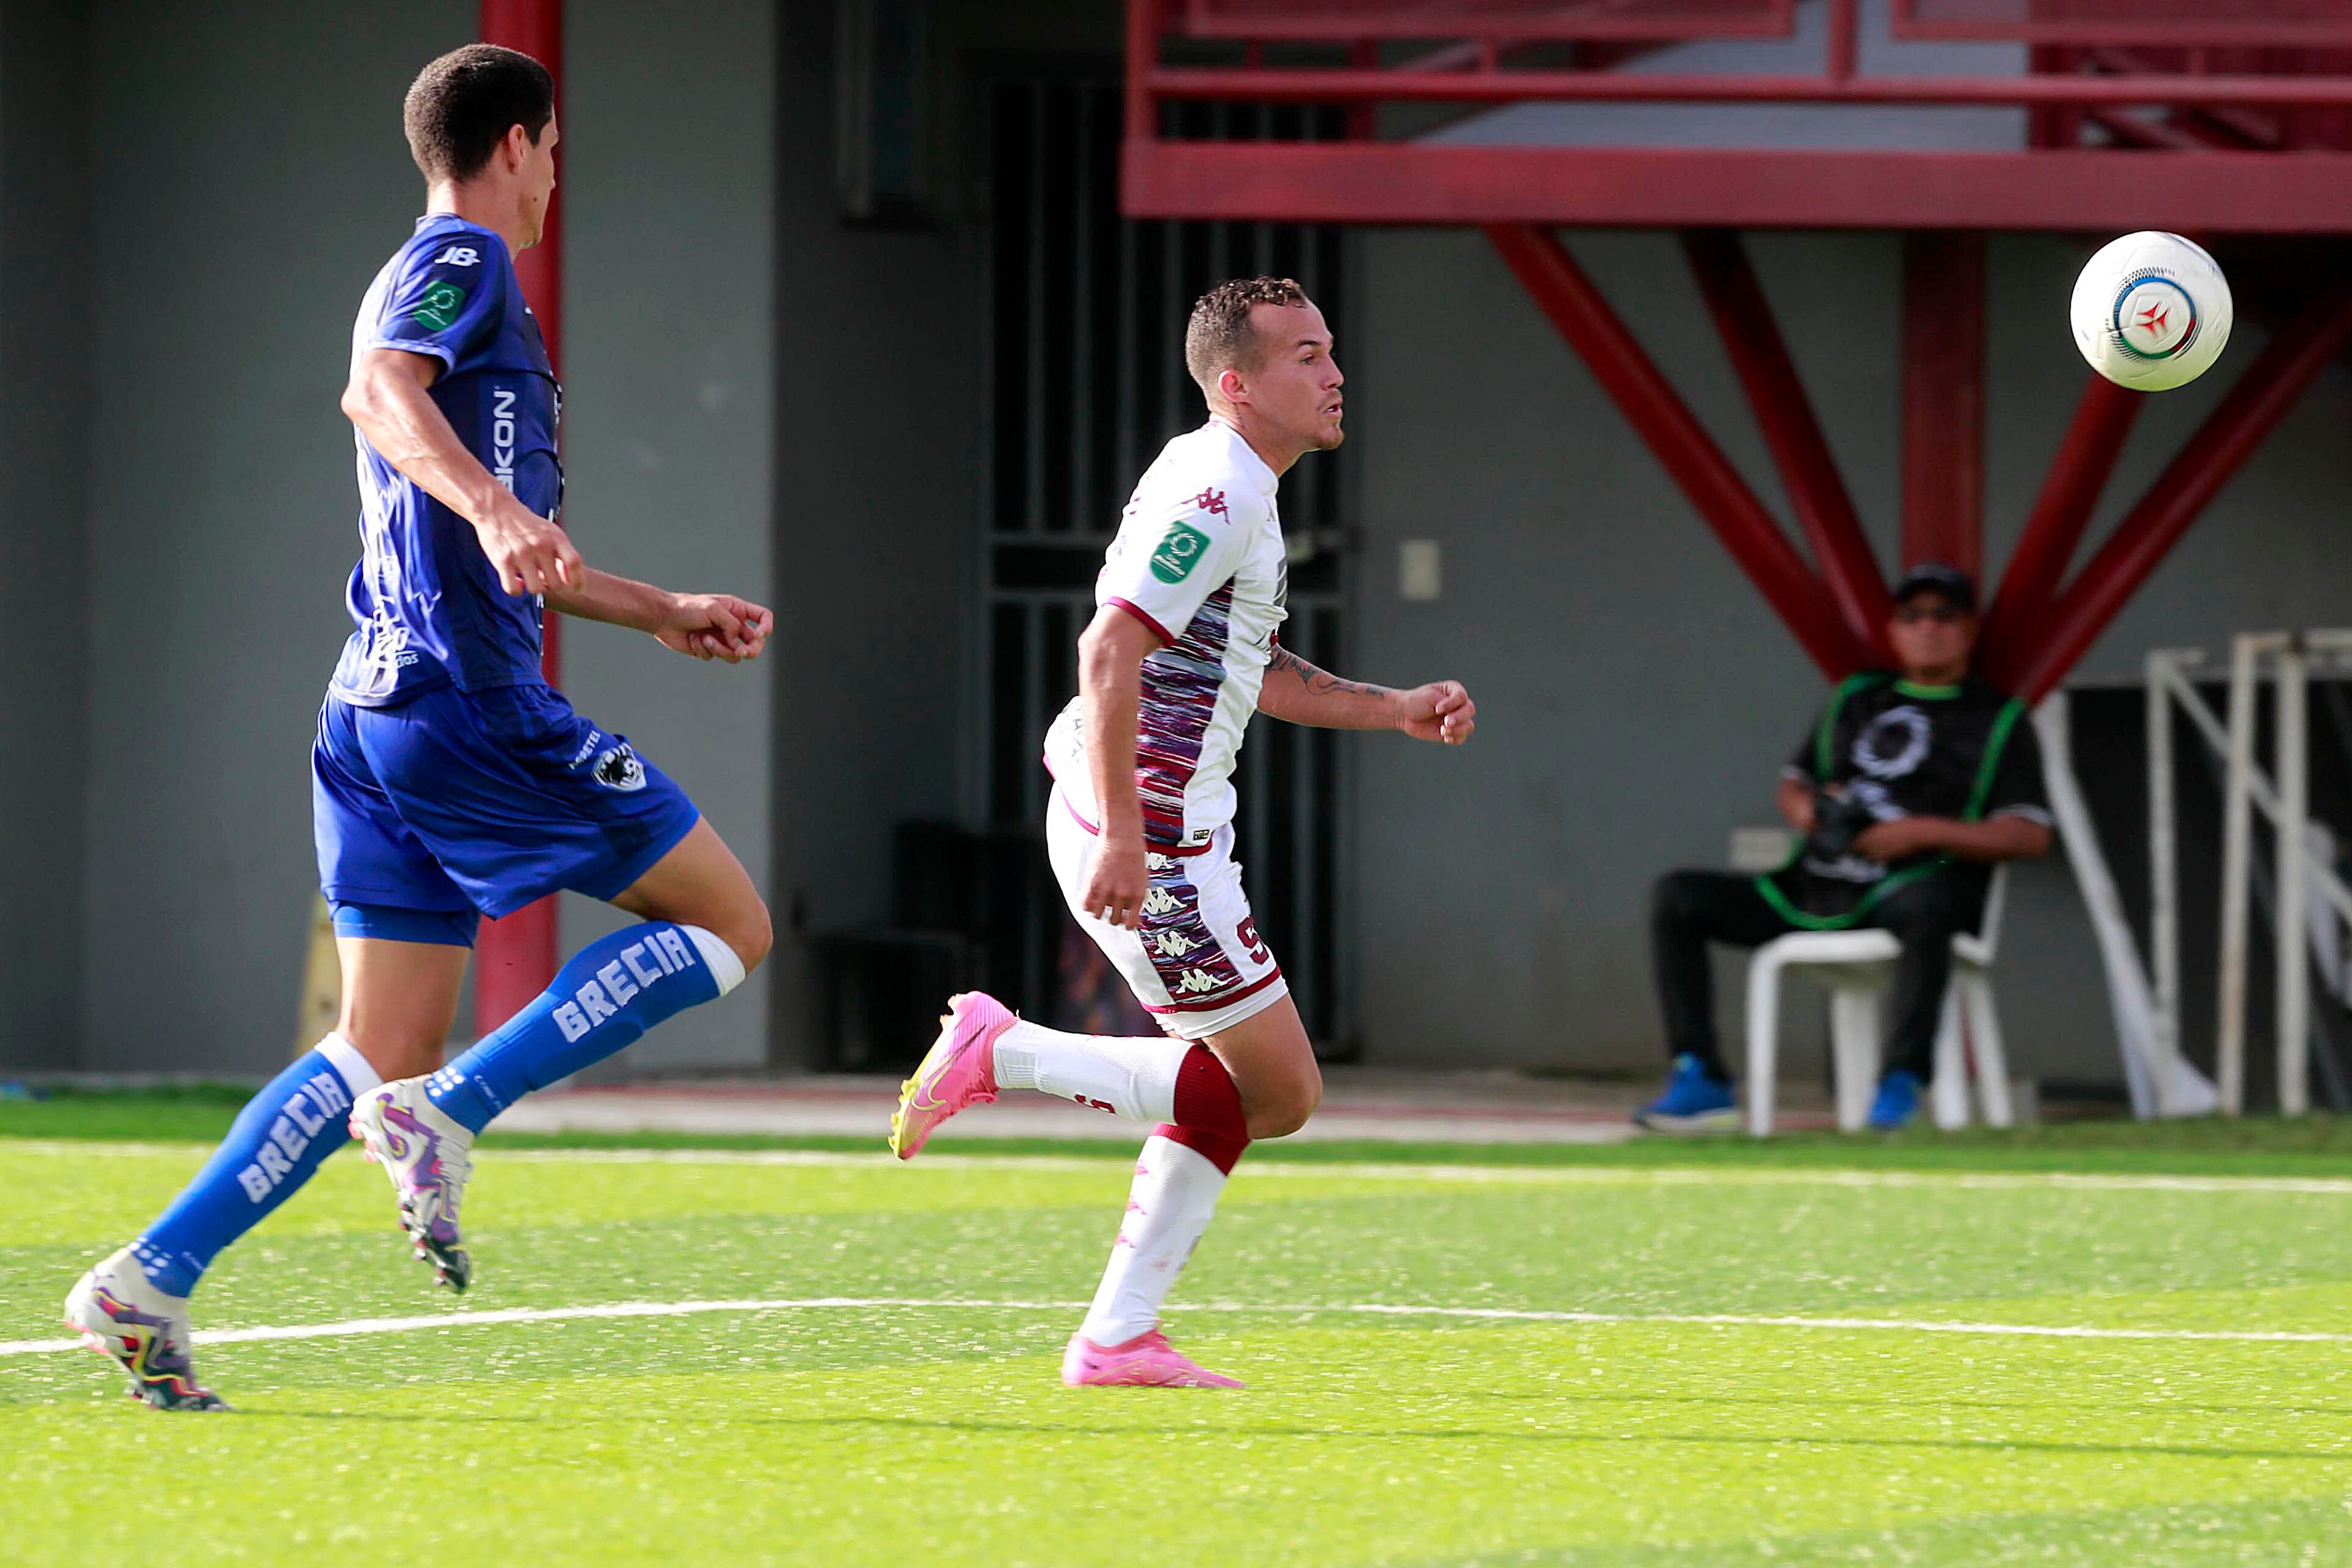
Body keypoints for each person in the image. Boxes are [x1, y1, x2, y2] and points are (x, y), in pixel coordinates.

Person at [62, 45, 773, 1411]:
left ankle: (146, 1278)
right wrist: (499, 508)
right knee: (729, 926)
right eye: (555, 148)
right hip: (466, 706)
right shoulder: (460, 262)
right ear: (517, 141)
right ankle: (455, 1108)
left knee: (371, 1044)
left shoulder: (457, 289)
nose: (557, 175)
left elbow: (495, 540)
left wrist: (654, 605)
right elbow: (378, 392)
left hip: (377, 708)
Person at [887, 277, 1478, 1389]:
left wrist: (1390, 706)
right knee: (1278, 1092)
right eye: (1306, 355)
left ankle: (1115, 1338)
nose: (1335, 372)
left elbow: (1253, 669)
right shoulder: (1216, 490)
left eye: (1331, 349)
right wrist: (1125, 835)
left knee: (1255, 1089)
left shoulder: (1237, 482)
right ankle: (1003, 1056)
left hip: (1157, 822)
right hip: (1151, 835)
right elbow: (1107, 652)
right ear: (1238, 384)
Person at [1635, 563, 2052, 1135]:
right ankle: (1700, 1076)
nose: (1927, 627)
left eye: (1943, 615)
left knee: (1929, 904)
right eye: (1912, 616)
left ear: (1969, 630)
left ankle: (1901, 1083)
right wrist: (1806, 811)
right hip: (1814, 885)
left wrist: (1921, 832)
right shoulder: (1855, 698)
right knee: (1678, 895)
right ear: (1893, 629)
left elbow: (2029, 834)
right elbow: (1794, 781)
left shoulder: (2000, 719)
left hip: (1913, 886)